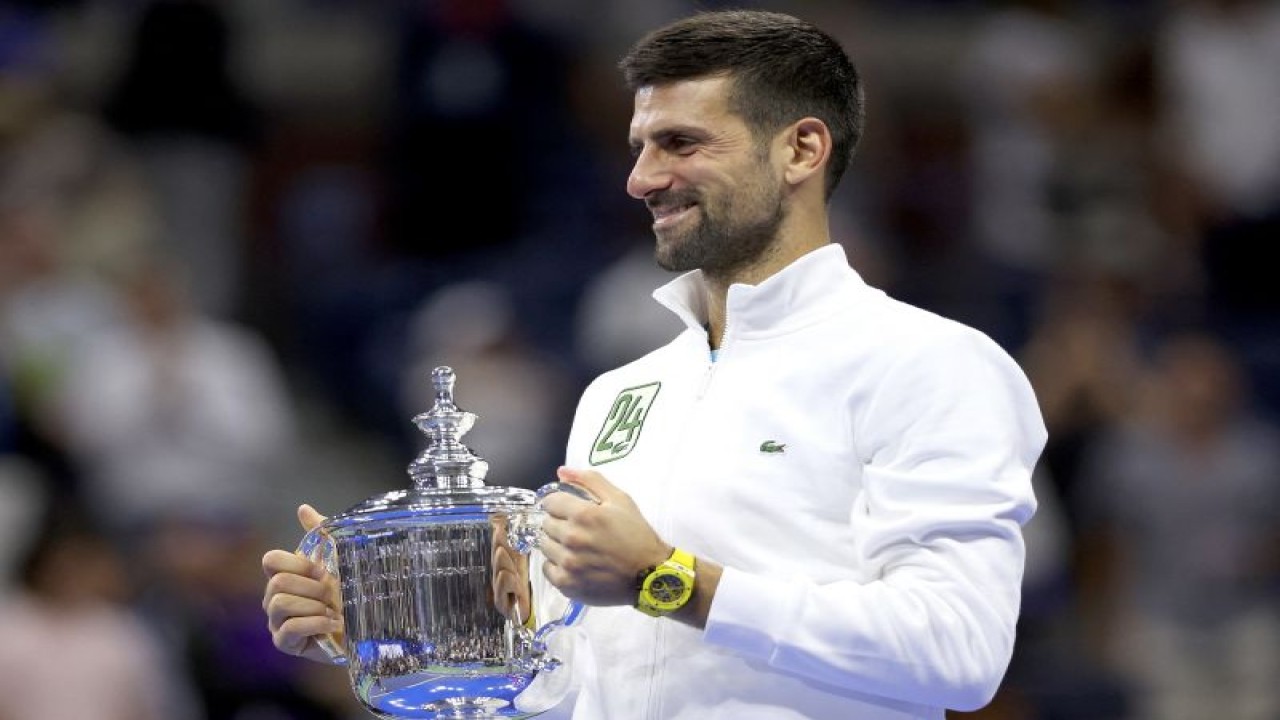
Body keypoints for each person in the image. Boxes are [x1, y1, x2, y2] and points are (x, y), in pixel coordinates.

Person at [262, 9, 1047, 719]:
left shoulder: (930, 364)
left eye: (682, 143)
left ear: (802, 149)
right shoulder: (621, 391)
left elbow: (958, 651)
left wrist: (669, 580)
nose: (641, 179)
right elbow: (580, 679)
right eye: (639, 146)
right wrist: (391, 638)